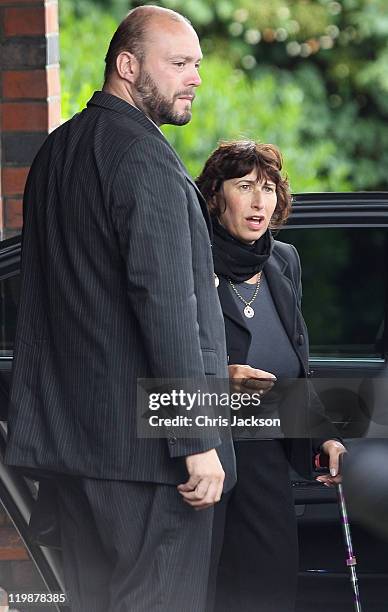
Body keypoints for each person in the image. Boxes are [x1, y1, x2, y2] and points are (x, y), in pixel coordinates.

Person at [5, 7, 236, 611]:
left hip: (76, 450)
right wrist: (195, 439)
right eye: (179, 63)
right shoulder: (143, 158)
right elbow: (164, 306)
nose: (195, 78)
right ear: (127, 66)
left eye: (197, 65)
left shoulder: (57, 152)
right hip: (148, 457)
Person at [196, 140, 346, 612]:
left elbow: (294, 365)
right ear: (216, 196)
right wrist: (221, 378)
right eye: (245, 187)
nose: (260, 200)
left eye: (268, 187)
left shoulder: (283, 261)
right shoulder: (187, 261)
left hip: (269, 467)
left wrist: (323, 436)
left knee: (272, 595)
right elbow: (149, 363)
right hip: (205, 460)